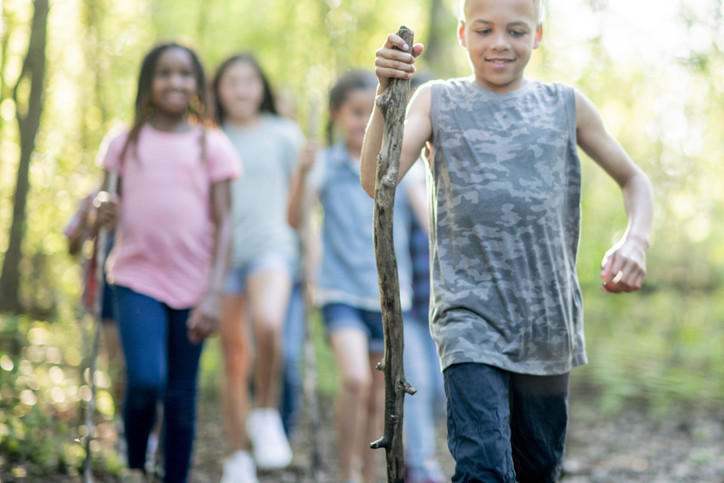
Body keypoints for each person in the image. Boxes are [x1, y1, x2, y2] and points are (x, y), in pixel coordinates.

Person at [361, 0, 655, 480]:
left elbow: (635, 180)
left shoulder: (566, 104)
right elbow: (379, 180)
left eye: (516, 31)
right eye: (484, 29)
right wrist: (386, 94)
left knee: (538, 468)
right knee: (484, 470)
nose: (499, 42)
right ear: (461, 34)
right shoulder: (437, 100)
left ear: (538, 35)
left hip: (547, 324)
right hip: (468, 319)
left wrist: (635, 240)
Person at [93, 41, 241, 483]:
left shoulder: (211, 143)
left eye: (184, 74)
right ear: (148, 83)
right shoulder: (123, 141)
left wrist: (214, 293)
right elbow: (102, 204)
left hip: (195, 285)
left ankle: (174, 475)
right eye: (164, 73)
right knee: (145, 379)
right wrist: (99, 209)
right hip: (136, 276)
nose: (175, 82)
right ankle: (136, 463)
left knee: (180, 395)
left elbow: (226, 222)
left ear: (197, 83)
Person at [288, 69, 423, 483]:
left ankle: (369, 473)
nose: (365, 122)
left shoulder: (399, 164)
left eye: (373, 113)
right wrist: (300, 172)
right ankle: (346, 471)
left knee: (377, 394)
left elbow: (426, 213)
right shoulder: (325, 164)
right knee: (353, 379)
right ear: (335, 114)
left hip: (385, 296)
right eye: (356, 112)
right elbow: (294, 219)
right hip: (339, 291)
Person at [211, 53, 303, 482]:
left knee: (269, 325)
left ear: (261, 86)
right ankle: (237, 455)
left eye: (250, 80)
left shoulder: (285, 134)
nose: (242, 89)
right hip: (223, 258)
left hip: (273, 248)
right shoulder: (210, 137)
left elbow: (299, 212)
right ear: (218, 90)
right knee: (234, 358)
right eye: (233, 81)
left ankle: (266, 412)